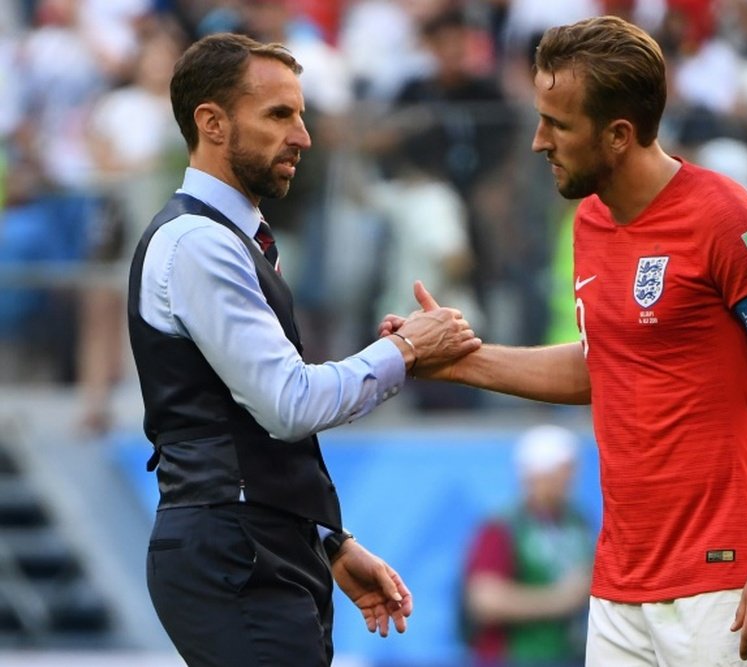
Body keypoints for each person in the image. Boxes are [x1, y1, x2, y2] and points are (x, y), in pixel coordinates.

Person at [383, 16, 747, 667]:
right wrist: (458, 361)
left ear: (619, 136)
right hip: (619, 587)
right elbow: (608, 366)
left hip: (723, 584)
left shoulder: (728, 219)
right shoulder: (592, 219)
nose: (539, 141)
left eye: (558, 125)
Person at [126, 32, 481, 666]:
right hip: (234, 554)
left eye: (303, 114)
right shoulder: (199, 244)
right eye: (279, 114)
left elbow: (251, 430)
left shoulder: (230, 240)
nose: (304, 136)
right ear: (211, 123)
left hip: (257, 546)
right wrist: (405, 351)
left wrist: (327, 539)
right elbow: (287, 403)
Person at [461, 424, 594, 665]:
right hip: (514, 656)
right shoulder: (503, 526)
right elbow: (485, 600)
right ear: (536, 474)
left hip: (566, 655)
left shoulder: (578, 521)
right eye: (562, 470)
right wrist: (558, 600)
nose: (569, 478)